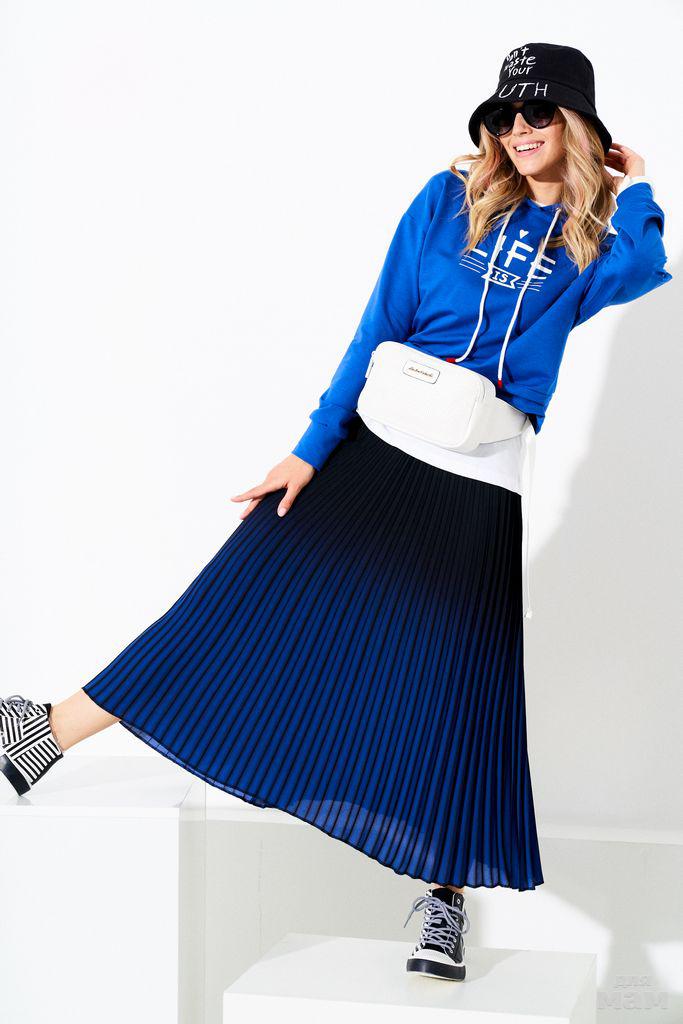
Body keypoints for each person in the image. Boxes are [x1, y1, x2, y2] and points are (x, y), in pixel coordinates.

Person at [0, 42, 672, 984]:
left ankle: (443, 902)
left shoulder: (589, 240)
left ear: (576, 125)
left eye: (538, 114)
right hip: (377, 448)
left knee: (452, 690)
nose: (517, 130)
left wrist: (632, 183)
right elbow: (377, 325)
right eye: (504, 116)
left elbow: (646, 265)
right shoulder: (445, 200)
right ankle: (45, 730)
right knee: (239, 607)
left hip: (480, 476)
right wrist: (310, 448)